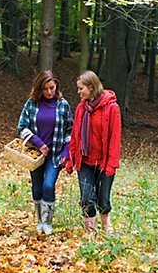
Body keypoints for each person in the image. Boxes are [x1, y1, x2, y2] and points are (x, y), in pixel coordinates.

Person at [17, 70, 73, 235]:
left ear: (56, 86)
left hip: (55, 155)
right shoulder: (31, 104)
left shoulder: (63, 105)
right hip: (36, 155)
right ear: (39, 89)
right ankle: (40, 221)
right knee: (37, 188)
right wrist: (38, 143)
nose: (49, 92)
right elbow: (22, 127)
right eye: (46, 89)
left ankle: (48, 222)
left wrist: (66, 151)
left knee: (48, 185)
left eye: (52, 88)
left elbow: (70, 130)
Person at [66, 70, 121, 233]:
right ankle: (90, 231)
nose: (78, 92)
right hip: (85, 161)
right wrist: (71, 159)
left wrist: (111, 165)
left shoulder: (112, 108)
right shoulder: (81, 108)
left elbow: (115, 139)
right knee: (86, 198)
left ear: (91, 87)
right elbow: (75, 135)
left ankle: (105, 226)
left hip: (104, 162)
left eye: (81, 88)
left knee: (103, 200)